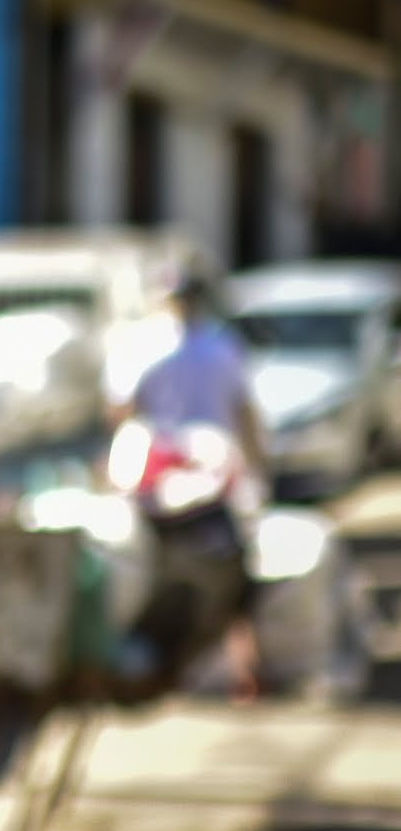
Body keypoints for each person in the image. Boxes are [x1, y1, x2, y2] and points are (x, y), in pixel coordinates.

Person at [118, 272, 267, 699]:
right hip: (212, 483)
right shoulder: (222, 348)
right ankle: (242, 669)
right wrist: (257, 473)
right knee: (236, 576)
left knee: (154, 577)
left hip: (160, 489)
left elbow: (123, 414)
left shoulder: (142, 350)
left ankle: (171, 663)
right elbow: (245, 416)